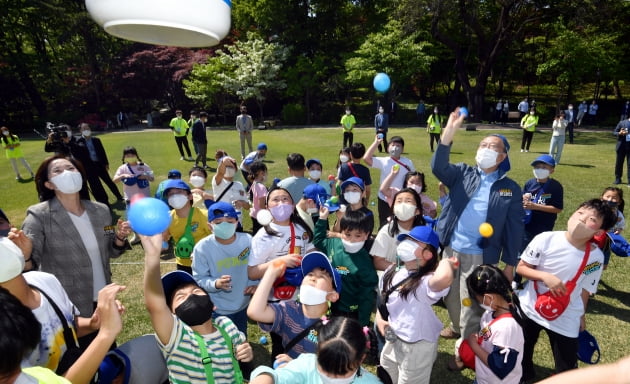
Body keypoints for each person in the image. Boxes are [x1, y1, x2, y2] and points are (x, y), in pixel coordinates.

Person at [431, 109, 523, 371]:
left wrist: (510, 263)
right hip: (451, 248)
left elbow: (515, 229)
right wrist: (449, 132)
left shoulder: (510, 188)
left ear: (502, 156)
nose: (485, 149)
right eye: (483, 145)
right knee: (449, 295)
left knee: (471, 301)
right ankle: (456, 325)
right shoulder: (462, 173)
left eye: (492, 146)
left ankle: (464, 350)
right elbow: (438, 167)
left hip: (482, 255)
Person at [516, 199, 616, 382]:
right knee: (522, 349)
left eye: (591, 219)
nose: (582, 220)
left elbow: (585, 289)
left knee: (567, 367)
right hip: (529, 307)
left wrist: (581, 316)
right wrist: (545, 277)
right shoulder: (545, 239)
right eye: (580, 213)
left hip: (566, 316)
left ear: (599, 231)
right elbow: (521, 268)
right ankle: (525, 375)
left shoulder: (595, 258)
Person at [22, 156, 131, 320]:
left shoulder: (101, 211)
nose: (67, 173)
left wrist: (119, 237)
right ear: (49, 184)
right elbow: (30, 269)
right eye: (58, 171)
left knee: (109, 343)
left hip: (103, 298)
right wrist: (24, 254)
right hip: (67, 304)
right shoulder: (38, 216)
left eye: (71, 168)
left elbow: (111, 250)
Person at [141, 234, 253, 384]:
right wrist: (152, 257)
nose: (189, 295)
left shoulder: (226, 325)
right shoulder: (176, 337)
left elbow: (241, 345)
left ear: (212, 303)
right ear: (172, 313)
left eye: (196, 292)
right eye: (181, 297)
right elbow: (155, 305)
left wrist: (246, 350)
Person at [375, 226, 457, 384]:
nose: (407, 243)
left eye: (414, 242)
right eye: (407, 239)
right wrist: (380, 322)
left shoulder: (425, 282)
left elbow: (444, 278)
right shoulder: (392, 270)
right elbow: (383, 301)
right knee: (386, 374)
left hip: (417, 347)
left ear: (428, 254)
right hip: (394, 338)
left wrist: (446, 261)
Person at [0, 283, 125, 384]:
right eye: (4, 378)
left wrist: (93, 326)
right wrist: (106, 334)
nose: (17, 378)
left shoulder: (37, 374)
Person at [247, 187, 315, 360]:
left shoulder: (301, 228)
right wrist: (280, 262)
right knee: (280, 345)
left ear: (293, 205)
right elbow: (252, 272)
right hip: (275, 304)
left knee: (302, 340)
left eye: (285, 199)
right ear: (268, 207)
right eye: (275, 200)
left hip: (300, 298)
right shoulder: (263, 236)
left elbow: (309, 249)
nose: (281, 203)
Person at [247, 251, 342, 360]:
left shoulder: (336, 328)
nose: (313, 277)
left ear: (333, 296)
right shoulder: (288, 310)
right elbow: (254, 312)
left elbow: (334, 367)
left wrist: (296, 365)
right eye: (310, 274)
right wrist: (271, 273)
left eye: (322, 276)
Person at [249, 316, 381, 384]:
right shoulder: (307, 364)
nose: (331, 377)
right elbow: (277, 377)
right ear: (317, 352)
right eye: (324, 366)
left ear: (361, 359)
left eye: (341, 372)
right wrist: (265, 377)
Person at [192, 202, 257, 334]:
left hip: (242, 303)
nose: (224, 224)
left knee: (240, 335)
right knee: (221, 340)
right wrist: (215, 283)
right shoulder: (202, 248)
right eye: (218, 221)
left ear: (236, 222)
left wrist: (256, 284)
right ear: (210, 226)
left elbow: (256, 266)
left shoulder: (247, 240)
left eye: (229, 220)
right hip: (218, 308)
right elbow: (199, 278)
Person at [314, 207, 377, 326]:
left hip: (351, 312)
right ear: (341, 232)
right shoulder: (334, 244)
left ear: (366, 235)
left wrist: (362, 324)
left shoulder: (366, 265)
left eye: (357, 236)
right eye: (348, 234)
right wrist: (322, 219)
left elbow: (366, 299)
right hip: (331, 305)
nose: (352, 240)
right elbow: (318, 240)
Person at [465, 265, 524, 384]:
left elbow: (500, 366)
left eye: (478, 299)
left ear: (488, 298)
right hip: (484, 378)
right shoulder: (492, 311)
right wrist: (480, 335)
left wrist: (474, 346)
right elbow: (489, 329)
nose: (478, 303)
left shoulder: (507, 327)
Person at [363, 135, 415, 228]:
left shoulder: (408, 162)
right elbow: (366, 159)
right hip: (384, 199)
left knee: (400, 222)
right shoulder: (384, 161)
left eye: (398, 146)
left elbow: (412, 179)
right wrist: (376, 143)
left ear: (403, 149)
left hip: (400, 199)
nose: (395, 148)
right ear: (388, 148)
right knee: (384, 224)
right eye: (393, 145)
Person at [370, 188, 427, 271]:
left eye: (408, 201)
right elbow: (378, 262)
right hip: (392, 278)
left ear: (417, 211)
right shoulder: (387, 231)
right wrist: (403, 270)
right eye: (399, 201)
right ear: (393, 209)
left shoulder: (425, 233)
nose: (403, 205)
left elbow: (431, 261)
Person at [162, 179, 211, 274]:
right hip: (183, 264)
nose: (175, 196)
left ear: (190, 196)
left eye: (179, 192)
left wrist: (201, 252)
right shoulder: (167, 218)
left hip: (205, 263)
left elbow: (216, 240)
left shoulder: (205, 215)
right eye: (171, 194)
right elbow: (163, 241)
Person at [75, 123, 124, 203]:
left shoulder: (96, 140)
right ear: (80, 131)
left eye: (87, 128)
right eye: (84, 129)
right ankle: (102, 200)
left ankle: (119, 196)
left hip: (99, 164)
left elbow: (102, 152)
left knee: (108, 181)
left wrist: (106, 163)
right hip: (89, 167)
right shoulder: (79, 142)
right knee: (95, 185)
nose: (86, 130)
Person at [522, 155, 564, 247]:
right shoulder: (530, 183)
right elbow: (521, 199)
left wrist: (535, 206)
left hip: (543, 226)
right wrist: (523, 199)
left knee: (539, 250)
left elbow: (558, 209)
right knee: (522, 250)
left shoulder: (555, 187)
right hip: (527, 224)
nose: (540, 170)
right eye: (537, 167)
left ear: (552, 171)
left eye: (544, 167)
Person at [212, 155, 250, 228]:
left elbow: (247, 206)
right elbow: (220, 173)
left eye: (231, 167)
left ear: (235, 169)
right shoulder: (218, 182)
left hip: (237, 223)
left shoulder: (239, 185)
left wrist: (241, 203)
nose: (228, 169)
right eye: (226, 167)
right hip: (222, 223)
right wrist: (223, 162)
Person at [599, 187, 625, 269]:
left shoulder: (618, 214)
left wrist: (619, 230)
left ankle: (593, 274)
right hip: (595, 241)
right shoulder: (597, 210)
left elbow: (621, 225)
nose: (610, 200)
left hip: (607, 243)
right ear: (601, 197)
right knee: (592, 260)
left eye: (614, 198)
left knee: (603, 266)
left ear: (619, 201)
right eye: (607, 196)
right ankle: (586, 273)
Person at [248, 161, 269, 235]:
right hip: (260, 216)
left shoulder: (254, 183)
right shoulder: (261, 187)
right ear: (260, 172)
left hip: (254, 214)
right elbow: (261, 205)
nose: (266, 174)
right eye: (264, 172)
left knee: (256, 232)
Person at [614, 116, 630, 185]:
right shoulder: (622, 122)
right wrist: (619, 133)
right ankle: (618, 179)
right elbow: (614, 132)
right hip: (621, 146)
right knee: (619, 163)